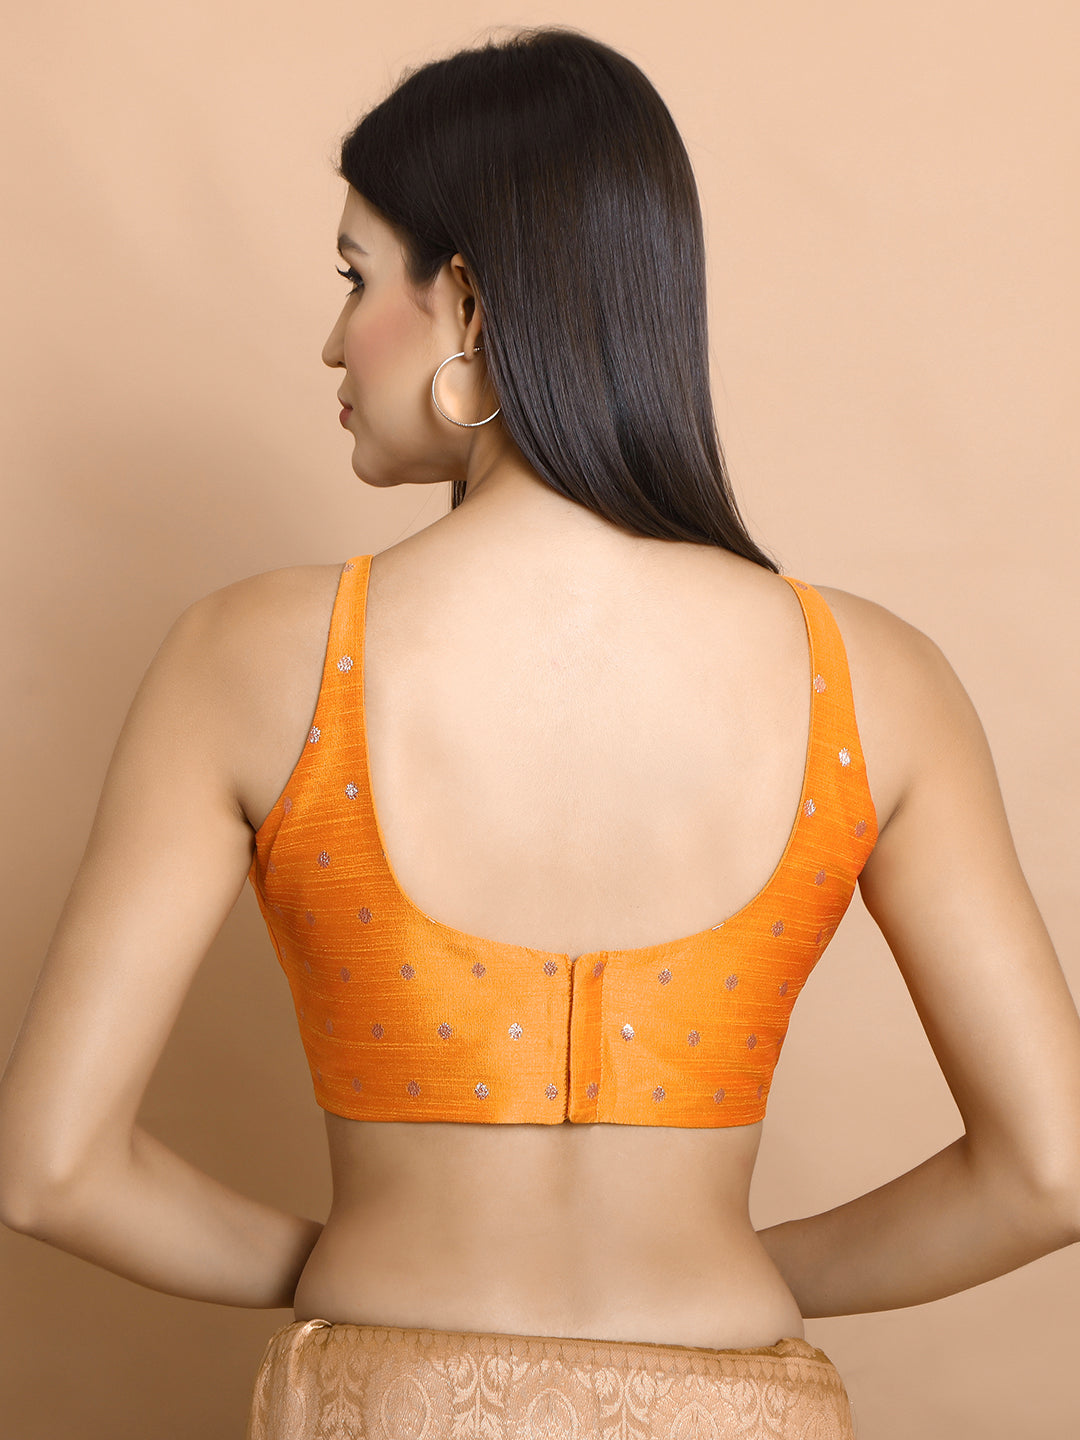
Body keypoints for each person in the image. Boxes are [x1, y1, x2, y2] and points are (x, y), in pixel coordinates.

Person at [1, 23, 1078, 1440]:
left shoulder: (249, 658)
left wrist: (350, 1266)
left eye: (354, 276)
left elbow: (53, 1168)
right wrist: (744, 1278)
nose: (331, 338)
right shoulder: (874, 681)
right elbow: (1051, 1173)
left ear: (465, 299)